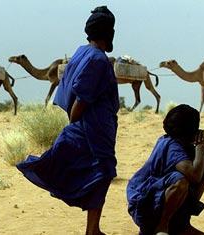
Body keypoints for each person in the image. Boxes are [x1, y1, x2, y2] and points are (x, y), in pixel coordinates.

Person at [16, 6, 118, 235]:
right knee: (102, 173)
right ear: (108, 33)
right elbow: (81, 96)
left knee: (99, 174)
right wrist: (77, 120)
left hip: (93, 128)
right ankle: (93, 229)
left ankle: (94, 228)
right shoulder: (98, 61)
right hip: (91, 130)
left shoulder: (82, 52)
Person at [126, 104, 204, 235]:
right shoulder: (171, 146)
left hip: (159, 203)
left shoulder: (184, 143)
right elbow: (195, 175)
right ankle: (162, 226)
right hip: (144, 205)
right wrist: (199, 146)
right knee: (180, 181)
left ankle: (179, 223)